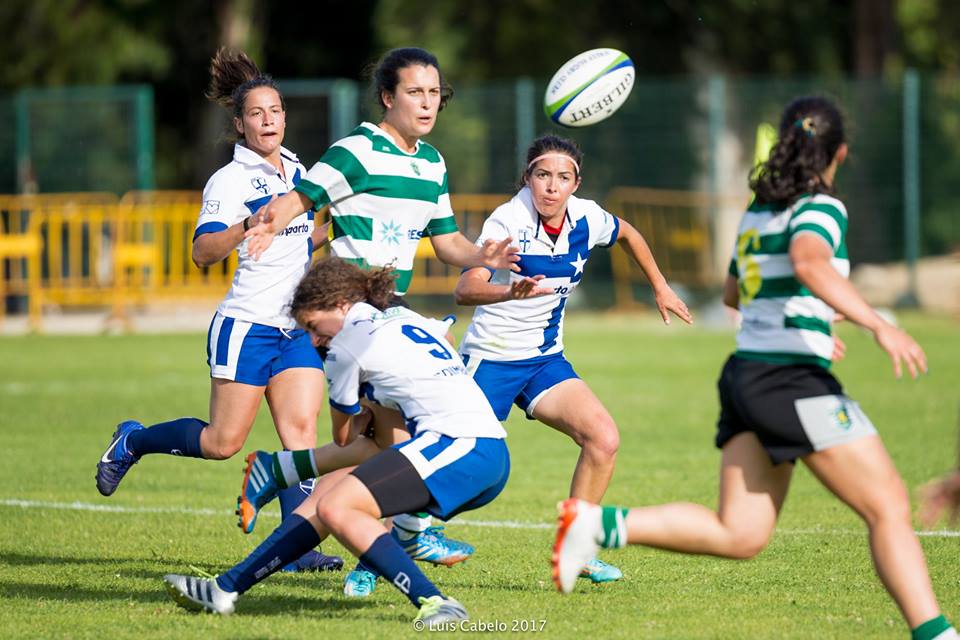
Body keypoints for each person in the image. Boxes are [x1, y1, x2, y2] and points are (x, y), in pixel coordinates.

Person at [552, 97, 957, 640]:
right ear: (840, 152)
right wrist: (876, 324)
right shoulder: (821, 206)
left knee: (741, 533)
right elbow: (809, 263)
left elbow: (736, 293)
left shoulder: (758, 213)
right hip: (791, 381)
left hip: (748, 375)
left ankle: (596, 522)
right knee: (888, 505)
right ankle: (937, 634)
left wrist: (814, 319)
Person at [240, 47, 519, 596]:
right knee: (393, 448)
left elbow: (446, 243)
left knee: (386, 448)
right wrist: (268, 227)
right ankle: (381, 547)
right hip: (351, 321)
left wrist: (484, 256)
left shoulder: (432, 162)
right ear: (388, 97)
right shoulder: (355, 152)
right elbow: (301, 198)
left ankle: (291, 479)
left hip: (394, 319)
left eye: (435, 93)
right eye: (416, 92)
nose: (428, 102)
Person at [94, 48, 341, 572]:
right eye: (257, 113)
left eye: (275, 110)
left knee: (299, 438)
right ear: (239, 124)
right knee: (222, 442)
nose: (268, 119)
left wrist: (340, 230)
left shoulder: (298, 169)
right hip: (246, 326)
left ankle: (296, 548)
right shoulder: (229, 182)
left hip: (295, 329)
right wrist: (246, 226)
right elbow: (202, 251)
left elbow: (300, 238)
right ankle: (133, 440)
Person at [163, 258, 509, 627]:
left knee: (337, 507)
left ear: (341, 303)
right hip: (478, 450)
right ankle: (226, 589)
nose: (312, 340)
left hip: (459, 447)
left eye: (313, 326)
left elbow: (343, 438)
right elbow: (443, 337)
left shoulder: (346, 349)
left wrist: (366, 408)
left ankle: (436, 601)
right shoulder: (402, 317)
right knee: (333, 497)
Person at [455, 134, 692, 584]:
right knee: (458, 459)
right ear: (528, 178)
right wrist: (510, 290)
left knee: (603, 439)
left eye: (563, 178)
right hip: (493, 359)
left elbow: (628, 233)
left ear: (576, 183)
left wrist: (659, 285)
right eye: (542, 175)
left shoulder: (586, 216)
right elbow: (465, 289)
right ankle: (380, 552)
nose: (551, 186)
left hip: (545, 360)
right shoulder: (507, 220)